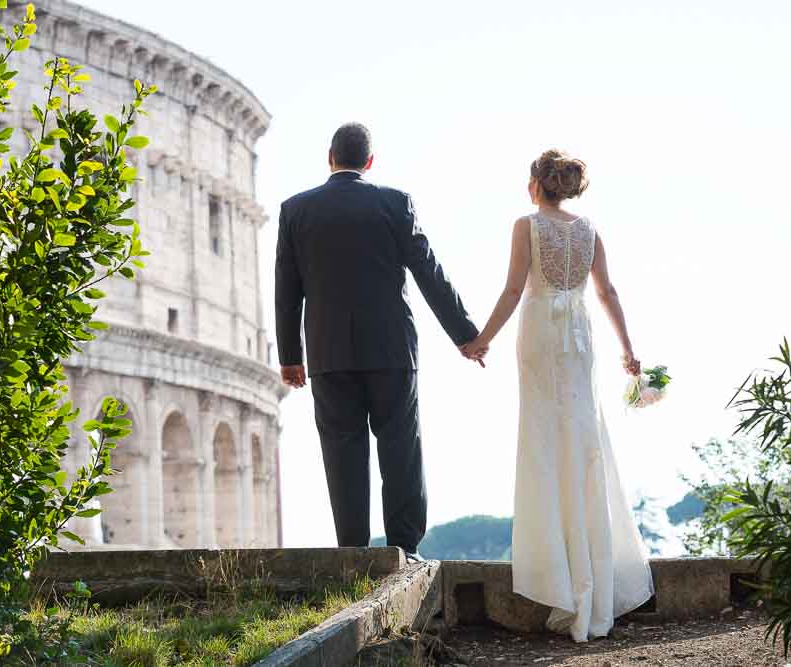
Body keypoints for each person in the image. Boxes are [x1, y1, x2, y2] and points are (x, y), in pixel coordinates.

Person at [461, 149, 655, 641]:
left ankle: (564, 585)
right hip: (580, 337)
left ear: (535, 184)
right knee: (583, 438)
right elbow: (608, 292)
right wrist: (629, 352)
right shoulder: (589, 229)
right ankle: (589, 586)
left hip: (542, 336)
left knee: (546, 444)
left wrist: (482, 339)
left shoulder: (526, 225)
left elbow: (512, 290)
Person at [274, 122, 485, 561]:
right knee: (400, 448)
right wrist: (465, 335)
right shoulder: (394, 203)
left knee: (342, 451)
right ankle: (404, 549)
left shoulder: (295, 210)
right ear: (369, 162)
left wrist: (290, 357)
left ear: (329, 157)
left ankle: (352, 552)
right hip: (392, 349)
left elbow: (286, 288)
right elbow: (429, 272)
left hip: (328, 353)